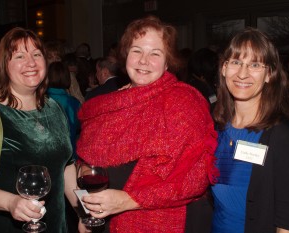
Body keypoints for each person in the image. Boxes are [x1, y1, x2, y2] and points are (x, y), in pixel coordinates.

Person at [76, 15, 218, 233]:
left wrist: (127, 201)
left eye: (155, 53)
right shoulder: (105, 105)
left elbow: (193, 178)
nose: (144, 60)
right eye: (137, 51)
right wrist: (86, 207)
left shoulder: (184, 104)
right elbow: (85, 162)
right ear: (125, 56)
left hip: (170, 221)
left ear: (168, 61)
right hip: (106, 220)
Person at [0, 27, 82, 233]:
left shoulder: (54, 108)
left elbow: (66, 166)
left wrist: (82, 210)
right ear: (4, 65)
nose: (31, 63)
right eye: (20, 56)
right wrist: (10, 202)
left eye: (37, 54)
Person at [211, 27, 289, 233]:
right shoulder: (214, 128)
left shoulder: (286, 139)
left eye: (255, 64)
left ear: (269, 74)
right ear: (223, 68)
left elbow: (286, 227)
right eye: (236, 62)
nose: (242, 73)